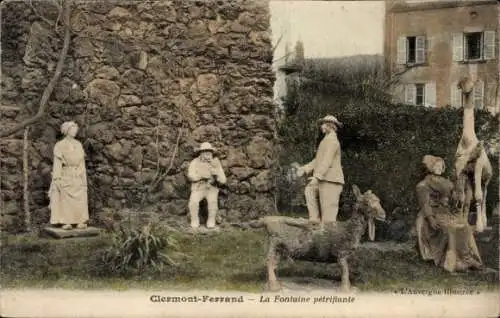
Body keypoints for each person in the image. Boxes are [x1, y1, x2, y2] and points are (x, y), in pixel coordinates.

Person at [415, 155, 483, 272]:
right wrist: (431, 219)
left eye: (441, 166)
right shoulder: (424, 184)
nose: (439, 168)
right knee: (451, 229)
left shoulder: (447, 182)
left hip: (446, 212)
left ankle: (467, 258)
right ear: (430, 167)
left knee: (464, 227)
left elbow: (453, 200)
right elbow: (425, 203)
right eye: (436, 165)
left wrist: (458, 197)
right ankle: (453, 262)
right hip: (433, 213)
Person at [296, 115, 345, 223]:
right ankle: (314, 220)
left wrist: (317, 177)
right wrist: (305, 169)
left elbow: (327, 160)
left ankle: (329, 237)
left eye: (323, 124)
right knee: (309, 191)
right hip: (324, 178)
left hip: (331, 180)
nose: (321, 126)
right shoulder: (326, 140)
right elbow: (318, 160)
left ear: (330, 126)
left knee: (328, 219)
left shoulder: (332, 141)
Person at [48, 121, 89, 230]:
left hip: (77, 174)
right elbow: (57, 164)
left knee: (80, 198)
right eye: (72, 129)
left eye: (75, 129)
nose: (75, 131)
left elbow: (81, 163)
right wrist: (57, 178)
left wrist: (83, 178)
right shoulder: (60, 145)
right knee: (65, 198)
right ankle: (66, 221)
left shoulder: (78, 144)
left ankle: (80, 220)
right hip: (66, 173)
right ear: (66, 131)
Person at [187, 142, 227, 229]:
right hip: (199, 187)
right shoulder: (195, 162)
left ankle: (211, 220)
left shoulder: (216, 162)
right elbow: (190, 175)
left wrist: (216, 175)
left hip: (211, 188)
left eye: (209, 151)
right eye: (204, 151)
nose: (207, 154)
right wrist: (201, 176)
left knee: (212, 202)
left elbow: (223, 180)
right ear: (200, 153)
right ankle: (194, 220)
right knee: (193, 201)